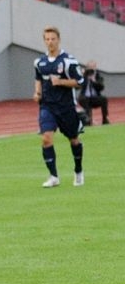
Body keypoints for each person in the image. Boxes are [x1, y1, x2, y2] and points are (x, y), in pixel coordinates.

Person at [33, 27, 84, 188]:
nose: (50, 42)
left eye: (53, 39)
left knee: (74, 140)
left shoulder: (68, 61)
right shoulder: (39, 62)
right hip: (47, 107)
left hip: (66, 107)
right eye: (47, 39)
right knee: (46, 138)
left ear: (58, 40)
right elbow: (38, 78)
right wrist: (37, 93)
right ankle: (53, 176)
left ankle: (78, 171)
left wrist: (61, 82)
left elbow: (79, 82)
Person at [78, 60, 109, 126]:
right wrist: (83, 76)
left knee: (104, 99)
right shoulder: (83, 76)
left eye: (93, 67)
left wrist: (93, 80)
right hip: (84, 97)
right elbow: (78, 86)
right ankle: (88, 121)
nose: (91, 69)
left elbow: (101, 88)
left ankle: (105, 119)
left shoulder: (98, 76)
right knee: (85, 100)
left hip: (95, 98)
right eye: (89, 67)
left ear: (95, 68)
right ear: (86, 68)